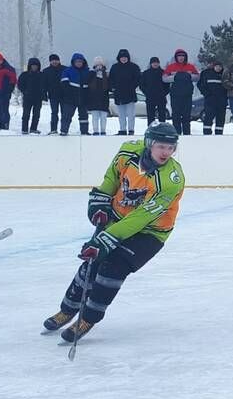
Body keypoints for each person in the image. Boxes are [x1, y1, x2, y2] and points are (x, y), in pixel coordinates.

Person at [41, 122, 185, 344]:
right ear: (149, 144)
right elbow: (112, 179)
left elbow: (141, 218)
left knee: (112, 269)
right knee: (91, 263)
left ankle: (88, 318)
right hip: (118, 218)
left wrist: (105, 240)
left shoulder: (171, 180)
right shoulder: (128, 150)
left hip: (150, 232)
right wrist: (99, 204)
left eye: (170, 147)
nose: (166, 152)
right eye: (161, 146)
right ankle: (67, 310)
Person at [164, 50, 199, 136]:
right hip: (175, 95)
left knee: (186, 116)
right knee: (176, 115)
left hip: (187, 95)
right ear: (176, 57)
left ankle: (187, 134)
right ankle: (176, 134)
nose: (181, 58)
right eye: (179, 56)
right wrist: (175, 77)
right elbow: (164, 78)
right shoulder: (171, 67)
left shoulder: (190, 66)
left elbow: (197, 77)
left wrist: (189, 76)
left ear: (185, 57)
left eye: (183, 56)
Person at [109, 49, 141, 135]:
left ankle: (131, 130)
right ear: (119, 58)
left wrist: (132, 86)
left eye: (125, 57)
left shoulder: (134, 67)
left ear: (128, 58)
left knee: (131, 114)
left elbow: (138, 79)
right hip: (119, 94)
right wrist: (113, 88)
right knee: (121, 114)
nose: (123, 59)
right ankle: (122, 129)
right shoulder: (114, 67)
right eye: (122, 57)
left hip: (130, 94)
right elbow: (111, 79)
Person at [58, 53, 90, 136]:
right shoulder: (67, 71)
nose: (79, 63)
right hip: (70, 98)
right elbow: (64, 85)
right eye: (77, 61)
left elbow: (90, 85)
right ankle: (64, 131)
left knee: (84, 117)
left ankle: (84, 132)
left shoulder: (87, 71)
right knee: (67, 116)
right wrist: (69, 95)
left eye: (80, 61)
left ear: (83, 62)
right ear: (73, 62)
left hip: (83, 98)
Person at [198, 60, 228, 135]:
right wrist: (206, 94)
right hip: (210, 101)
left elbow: (228, 86)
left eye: (220, 67)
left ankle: (219, 133)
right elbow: (200, 85)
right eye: (217, 66)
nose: (218, 68)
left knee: (220, 119)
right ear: (213, 66)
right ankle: (207, 133)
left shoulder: (225, 74)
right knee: (208, 117)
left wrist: (226, 97)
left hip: (222, 101)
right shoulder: (206, 73)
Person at [18, 57, 46, 134]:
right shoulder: (24, 75)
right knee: (26, 114)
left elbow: (45, 85)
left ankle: (33, 128)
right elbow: (19, 84)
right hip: (27, 98)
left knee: (36, 115)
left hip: (38, 98)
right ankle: (24, 129)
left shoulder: (42, 75)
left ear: (38, 66)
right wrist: (25, 91)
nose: (34, 67)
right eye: (33, 65)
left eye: (36, 65)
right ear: (29, 66)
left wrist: (43, 94)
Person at [140, 56, 169, 126]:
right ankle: (151, 130)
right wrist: (147, 93)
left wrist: (163, 93)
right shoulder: (146, 73)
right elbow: (141, 85)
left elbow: (168, 85)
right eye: (153, 63)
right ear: (151, 64)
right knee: (150, 116)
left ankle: (162, 130)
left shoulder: (163, 73)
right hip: (150, 98)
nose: (155, 64)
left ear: (159, 63)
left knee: (162, 116)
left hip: (161, 98)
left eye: (156, 62)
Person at [86, 57, 111, 135]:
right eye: (97, 65)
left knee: (103, 117)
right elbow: (88, 85)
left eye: (100, 65)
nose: (99, 67)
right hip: (93, 99)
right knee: (95, 117)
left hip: (104, 99)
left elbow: (109, 87)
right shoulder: (91, 74)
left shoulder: (106, 75)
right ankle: (95, 131)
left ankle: (103, 131)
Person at [42, 54, 66, 134]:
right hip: (53, 95)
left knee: (64, 113)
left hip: (64, 95)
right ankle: (53, 129)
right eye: (53, 60)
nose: (54, 62)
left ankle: (64, 129)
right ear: (50, 61)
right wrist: (44, 95)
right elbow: (44, 84)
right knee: (54, 113)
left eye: (56, 60)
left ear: (59, 61)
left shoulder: (65, 69)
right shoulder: (46, 71)